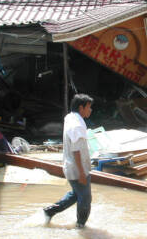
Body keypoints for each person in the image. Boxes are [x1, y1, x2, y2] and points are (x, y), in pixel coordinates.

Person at [43, 94, 93, 228]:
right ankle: (80, 226)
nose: (90, 110)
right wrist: (82, 173)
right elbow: (76, 150)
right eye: (88, 107)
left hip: (70, 166)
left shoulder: (70, 117)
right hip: (77, 168)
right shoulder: (77, 125)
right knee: (85, 198)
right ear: (81, 108)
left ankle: (50, 211)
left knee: (76, 194)